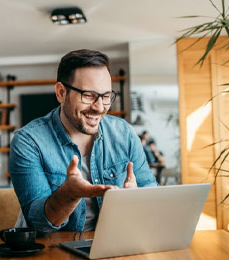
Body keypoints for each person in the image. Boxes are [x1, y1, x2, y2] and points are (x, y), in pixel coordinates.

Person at [9, 49, 158, 232]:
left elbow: (151, 193)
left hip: (112, 242)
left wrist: (137, 201)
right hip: (51, 249)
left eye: (105, 96)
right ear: (61, 93)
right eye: (88, 95)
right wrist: (68, 195)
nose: (99, 107)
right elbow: (37, 223)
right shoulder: (28, 141)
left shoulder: (124, 133)